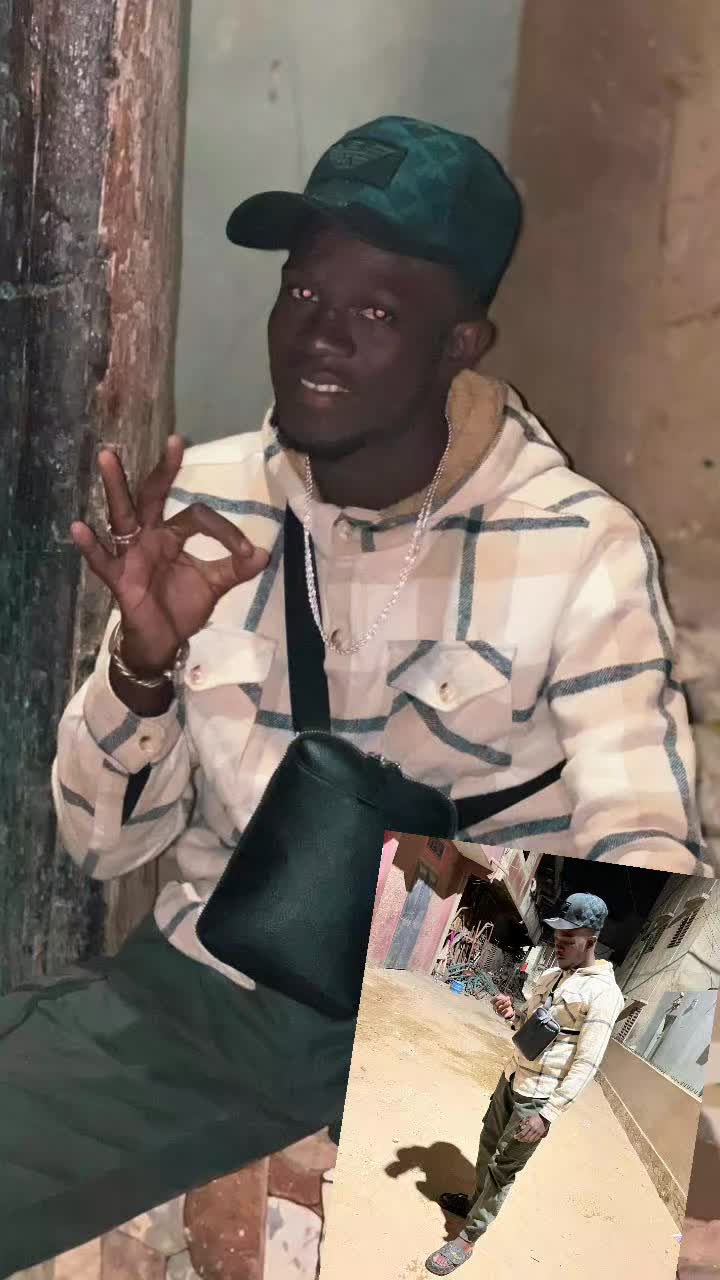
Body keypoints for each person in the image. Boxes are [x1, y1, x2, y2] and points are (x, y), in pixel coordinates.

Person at [0, 114, 705, 1272]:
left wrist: (517, 1037)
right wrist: (143, 666)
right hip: (205, 1002)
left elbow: (647, 862)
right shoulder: (209, 504)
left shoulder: (578, 545)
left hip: (455, 1022)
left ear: (460, 342)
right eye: (303, 294)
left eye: (376, 312)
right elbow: (98, 845)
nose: (318, 337)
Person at [425, 893, 624, 1274]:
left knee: (504, 1168)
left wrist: (548, 1115)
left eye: (569, 940)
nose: (559, 945)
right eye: (557, 937)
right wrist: (511, 1013)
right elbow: (529, 1026)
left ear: (591, 941)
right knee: (487, 1148)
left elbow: (588, 1061)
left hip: (537, 1100)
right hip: (511, 1078)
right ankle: (474, 1202)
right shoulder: (550, 977)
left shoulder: (604, 994)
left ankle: (468, 1238)